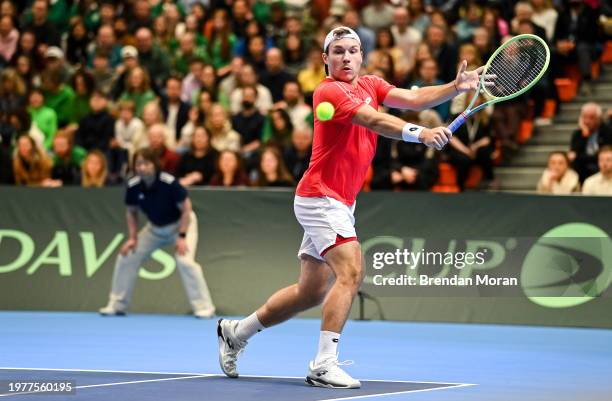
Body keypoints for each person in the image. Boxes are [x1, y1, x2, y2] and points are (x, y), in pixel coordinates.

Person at [217, 26, 484, 388]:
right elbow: (373, 120)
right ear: (326, 59)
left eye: (353, 50)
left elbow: (413, 99)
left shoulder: (371, 84)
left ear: (362, 55)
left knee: (309, 293)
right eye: (338, 51)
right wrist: (419, 134)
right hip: (320, 197)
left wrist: (456, 87)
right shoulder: (328, 90)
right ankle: (323, 364)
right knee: (352, 271)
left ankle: (236, 332)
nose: (346, 57)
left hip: (341, 199)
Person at [99, 148, 216, 318]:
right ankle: (117, 305)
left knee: (185, 261)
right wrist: (132, 238)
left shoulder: (169, 183)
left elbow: (186, 209)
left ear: (155, 165)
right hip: (154, 229)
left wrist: (182, 237)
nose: (142, 167)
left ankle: (204, 307)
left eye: (146, 163)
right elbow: (131, 212)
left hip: (182, 226)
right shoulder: (133, 186)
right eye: (138, 164)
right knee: (126, 256)